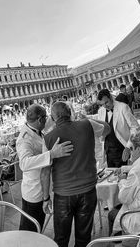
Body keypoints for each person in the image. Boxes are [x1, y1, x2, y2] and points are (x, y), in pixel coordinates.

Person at [41, 101, 111, 247]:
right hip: (88, 191)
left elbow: (45, 173)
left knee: (61, 238)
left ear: (53, 118)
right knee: (83, 237)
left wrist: (46, 198)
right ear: (70, 113)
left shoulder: (48, 138)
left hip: (63, 194)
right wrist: (88, 119)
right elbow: (107, 129)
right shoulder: (87, 125)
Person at [16, 104, 74, 232]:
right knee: (29, 229)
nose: (47, 120)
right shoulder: (25, 138)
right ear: (40, 120)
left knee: (38, 225)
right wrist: (51, 154)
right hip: (34, 189)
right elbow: (24, 164)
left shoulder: (36, 130)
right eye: (45, 118)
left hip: (41, 186)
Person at [108, 132, 140, 237]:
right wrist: (124, 169)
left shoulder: (136, 171)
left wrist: (122, 180)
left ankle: (115, 241)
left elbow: (123, 198)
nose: (130, 153)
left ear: (138, 149)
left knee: (112, 213)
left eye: (131, 149)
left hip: (138, 215)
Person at [97, 89, 140, 167]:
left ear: (110, 97)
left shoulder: (123, 107)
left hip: (123, 150)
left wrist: (128, 146)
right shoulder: (101, 111)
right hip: (109, 153)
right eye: (102, 104)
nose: (105, 106)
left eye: (106, 102)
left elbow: (135, 127)